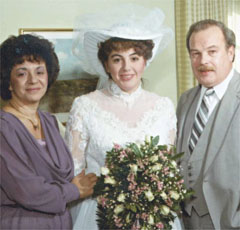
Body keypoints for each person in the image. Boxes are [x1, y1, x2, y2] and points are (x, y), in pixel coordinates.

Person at [65, 5, 182, 230]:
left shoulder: (163, 107)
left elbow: (168, 169)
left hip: (152, 215)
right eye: (117, 59)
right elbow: (75, 172)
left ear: (145, 61)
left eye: (134, 58)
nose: (127, 67)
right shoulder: (85, 106)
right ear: (106, 65)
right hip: (100, 214)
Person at [0, 34, 97, 229]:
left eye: (39, 71)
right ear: (8, 82)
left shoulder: (49, 121)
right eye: (21, 73)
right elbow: (26, 191)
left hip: (60, 222)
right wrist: (74, 190)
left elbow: (65, 173)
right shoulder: (3, 127)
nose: (33, 80)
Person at [176, 19, 240, 229]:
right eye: (195, 53)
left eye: (212, 51)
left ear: (230, 52)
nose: (203, 60)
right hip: (186, 221)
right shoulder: (185, 101)